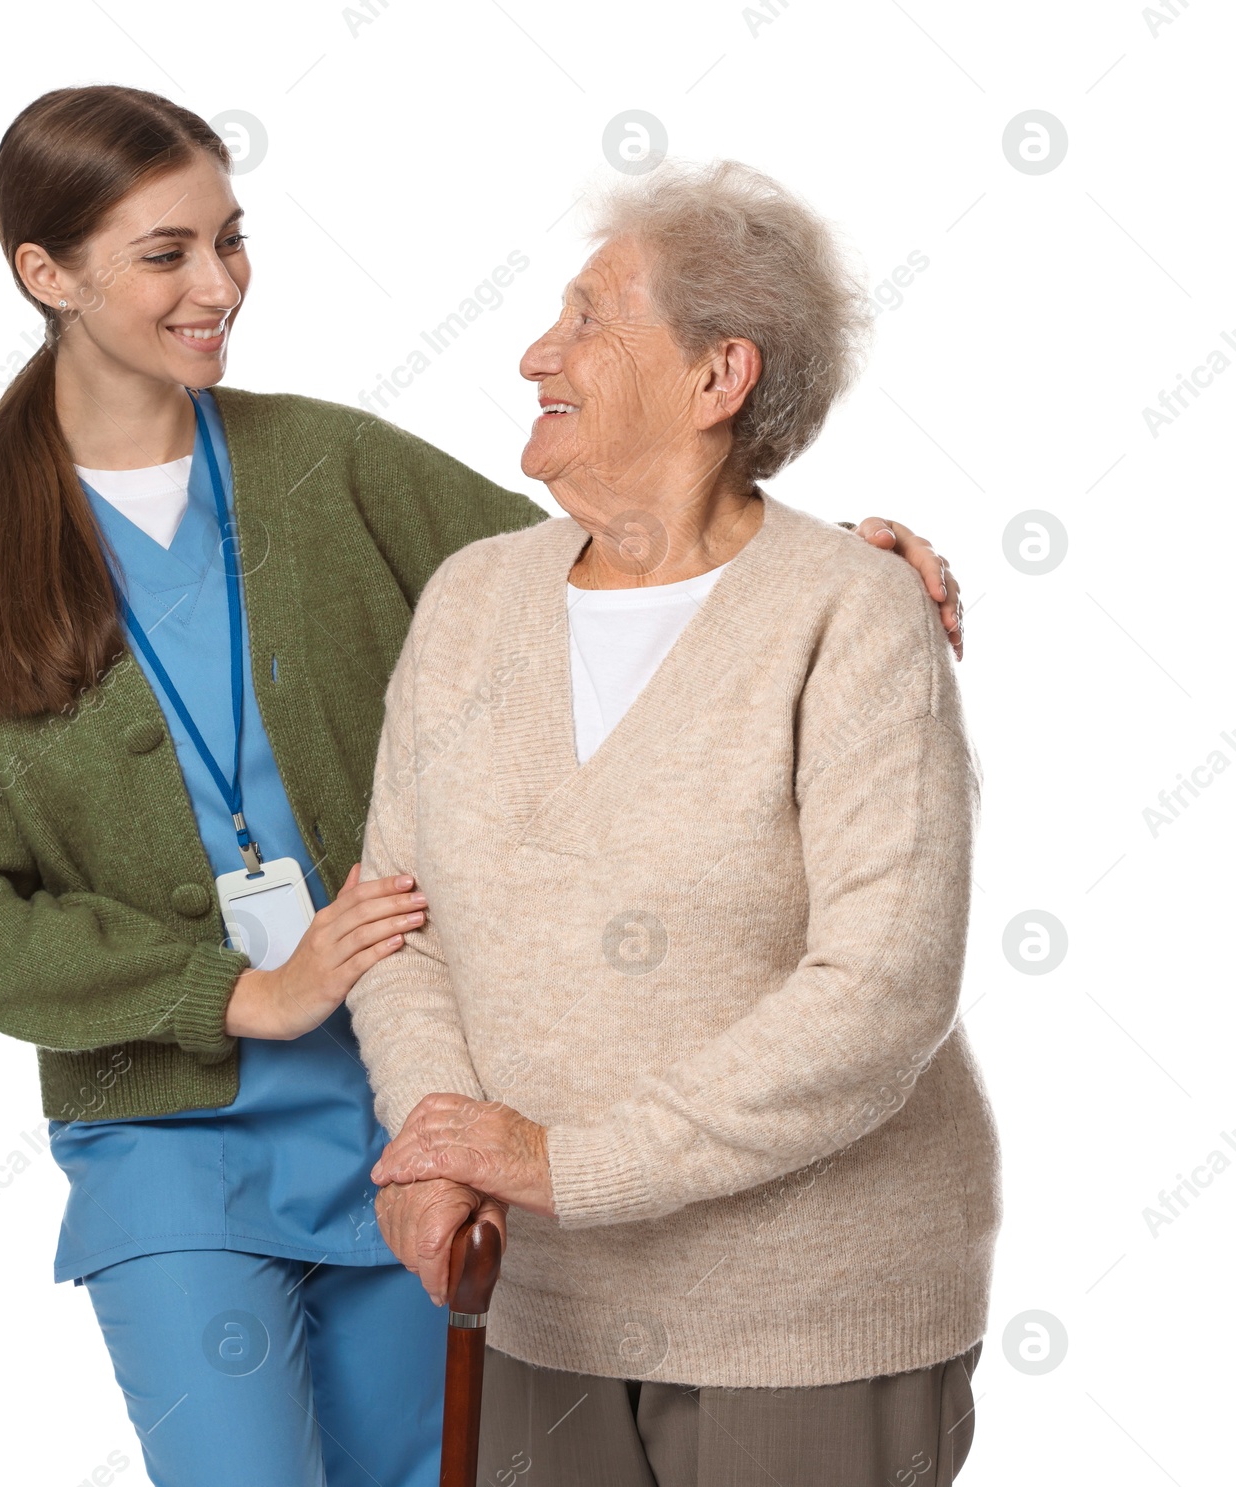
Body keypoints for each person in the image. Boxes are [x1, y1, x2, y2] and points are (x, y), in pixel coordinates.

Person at [0, 85, 966, 1487]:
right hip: (170, 1135)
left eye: (232, 240)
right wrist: (231, 990)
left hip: (414, 1114)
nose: (220, 287)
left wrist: (833, 559)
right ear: (46, 273)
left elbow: (624, 563)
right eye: (166, 255)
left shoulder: (328, 463)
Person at [355, 158, 999, 1487]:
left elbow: (880, 993)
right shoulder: (471, 602)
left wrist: (570, 1163)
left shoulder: (851, 614)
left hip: (805, 1315)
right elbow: (398, 925)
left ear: (721, 379)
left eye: (592, 319)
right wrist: (436, 1140)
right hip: (541, 1300)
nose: (539, 350)